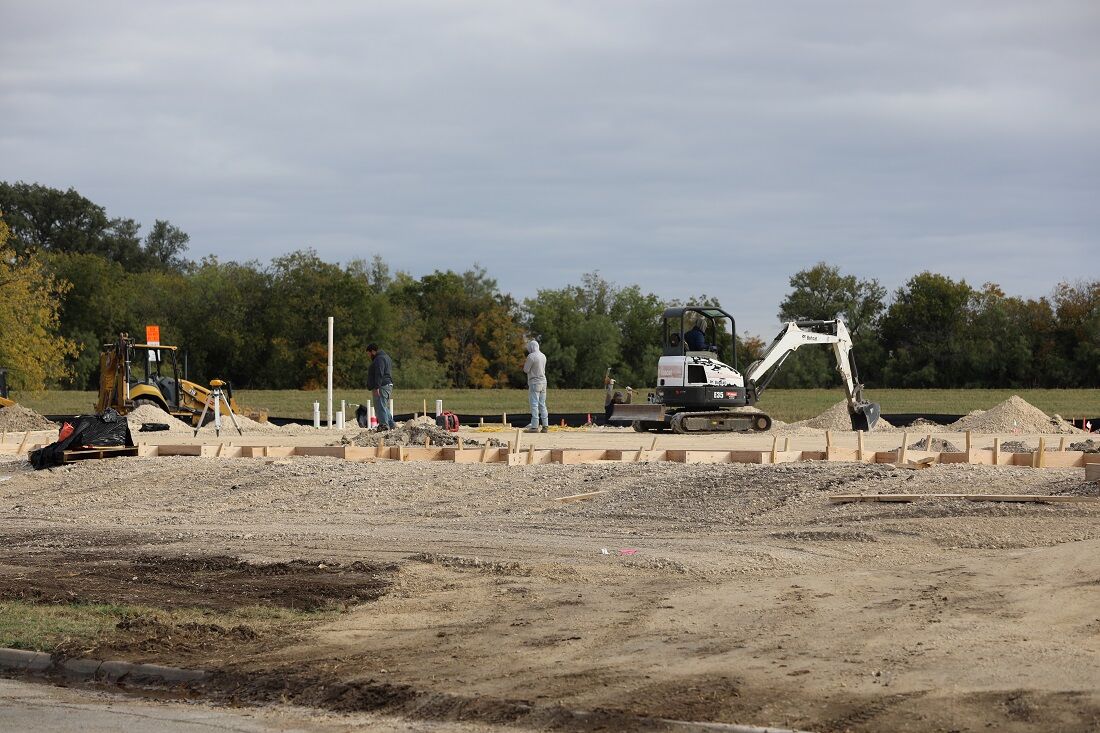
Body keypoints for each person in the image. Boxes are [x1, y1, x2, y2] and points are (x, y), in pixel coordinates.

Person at [365, 343, 396, 430]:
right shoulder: (386, 357)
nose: (368, 355)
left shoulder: (379, 359)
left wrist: (377, 387)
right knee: (383, 405)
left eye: (368, 353)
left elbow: (379, 373)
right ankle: (391, 424)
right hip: (387, 384)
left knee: (380, 406)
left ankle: (384, 425)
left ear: (373, 351)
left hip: (382, 385)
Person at [523, 340, 548, 433]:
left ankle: (534, 426)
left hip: (534, 382)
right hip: (543, 382)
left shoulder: (531, 356)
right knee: (542, 404)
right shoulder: (543, 356)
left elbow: (526, 369)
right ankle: (545, 426)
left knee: (534, 404)